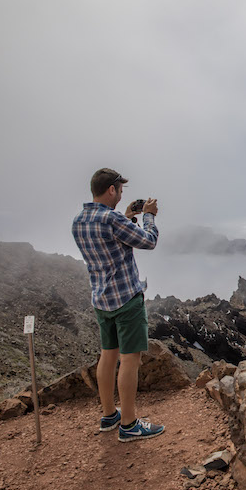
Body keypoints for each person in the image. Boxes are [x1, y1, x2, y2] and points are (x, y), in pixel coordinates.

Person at [71, 168, 165, 442]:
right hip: (125, 299)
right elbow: (148, 241)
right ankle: (129, 424)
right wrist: (149, 216)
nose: (121, 194)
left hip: (101, 299)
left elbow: (107, 240)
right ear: (111, 189)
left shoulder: (80, 220)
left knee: (107, 356)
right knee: (130, 360)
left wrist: (126, 217)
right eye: (120, 190)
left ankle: (109, 415)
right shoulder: (111, 219)